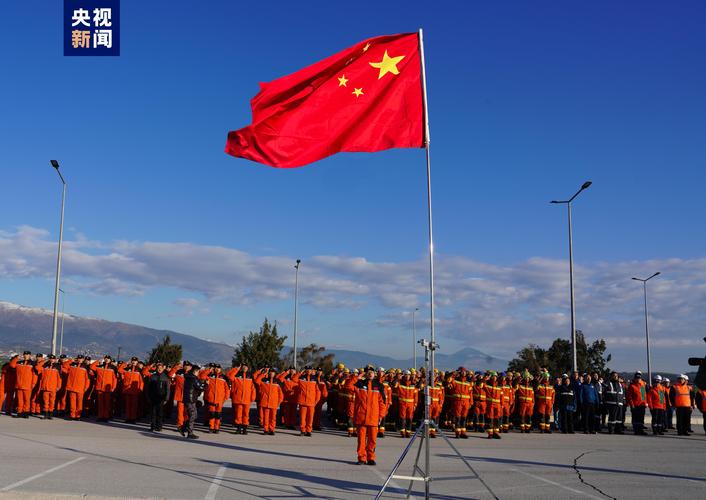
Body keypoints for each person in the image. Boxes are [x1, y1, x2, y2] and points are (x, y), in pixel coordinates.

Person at [352, 367, 386, 465]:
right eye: (368, 372)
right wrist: (358, 377)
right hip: (361, 417)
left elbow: (382, 402)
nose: (370, 374)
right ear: (366, 374)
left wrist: (381, 415)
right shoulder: (360, 384)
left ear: (375, 374)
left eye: (372, 372)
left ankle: (371, 457)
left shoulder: (379, 386)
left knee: (372, 440)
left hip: (373, 417)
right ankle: (362, 458)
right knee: (361, 440)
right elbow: (349, 387)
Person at [227, 364, 256, 434]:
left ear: (248, 368)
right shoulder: (236, 374)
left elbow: (253, 388)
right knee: (238, 415)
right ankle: (238, 428)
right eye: (243, 367)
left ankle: (245, 429)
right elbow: (229, 376)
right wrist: (236, 369)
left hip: (247, 399)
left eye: (246, 367)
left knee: (246, 414)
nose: (244, 368)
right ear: (241, 368)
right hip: (238, 398)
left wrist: (252, 397)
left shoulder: (250, 376)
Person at [293, 366, 322, 436]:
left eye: (310, 369)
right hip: (302, 401)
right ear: (305, 370)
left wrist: (316, 401)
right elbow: (294, 379)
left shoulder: (315, 379)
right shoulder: (301, 378)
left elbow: (318, 391)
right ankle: (302, 430)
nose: (309, 371)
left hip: (311, 402)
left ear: (312, 370)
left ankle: (308, 431)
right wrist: (300, 373)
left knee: (310, 418)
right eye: (307, 370)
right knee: (302, 418)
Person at [89, 356, 118, 422]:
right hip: (100, 387)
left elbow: (115, 379)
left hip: (108, 388)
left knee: (107, 404)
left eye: (108, 359)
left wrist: (113, 387)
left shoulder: (113, 368)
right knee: (100, 404)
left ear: (110, 360)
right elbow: (91, 367)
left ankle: (106, 417)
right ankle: (100, 416)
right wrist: (98, 360)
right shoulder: (99, 366)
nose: (107, 360)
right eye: (105, 359)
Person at [256, 368, 284, 435]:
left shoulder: (277, 381)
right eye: (270, 372)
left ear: (275, 374)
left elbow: (280, 393)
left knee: (273, 418)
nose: (271, 374)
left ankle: (272, 429)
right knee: (266, 417)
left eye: (273, 372)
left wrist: (279, 402)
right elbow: (257, 381)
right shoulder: (264, 380)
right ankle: (266, 429)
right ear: (268, 373)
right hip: (265, 402)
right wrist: (263, 374)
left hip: (274, 403)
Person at [145, 362, 171, 432]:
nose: (159, 369)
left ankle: (159, 427)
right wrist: (148, 396)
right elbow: (148, 388)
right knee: (153, 412)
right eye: (158, 368)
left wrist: (166, 398)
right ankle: (152, 426)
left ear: (163, 368)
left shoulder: (165, 377)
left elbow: (168, 389)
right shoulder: (152, 377)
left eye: (160, 368)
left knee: (160, 413)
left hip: (161, 398)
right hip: (153, 397)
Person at [63, 355, 91, 420]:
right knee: (72, 402)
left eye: (81, 359)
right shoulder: (72, 364)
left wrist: (86, 388)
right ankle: (72, 415)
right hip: (72, 387)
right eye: (78, 358)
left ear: (83, 359)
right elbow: (64, 366)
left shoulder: (86, 367)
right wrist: (71, 360)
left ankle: (78, 416)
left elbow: (88, 379)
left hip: (80, 388)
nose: (79, 360)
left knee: (79, 403)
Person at [181, 364, 204, 439]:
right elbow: (200, 387)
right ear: (195, 371)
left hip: (189, 398)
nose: (198, 373)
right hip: (190, 399)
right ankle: (189, 432)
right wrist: (206, 385)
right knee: (193, 415)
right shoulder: (193, 378)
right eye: (198, 371)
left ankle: (184, 428)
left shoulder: (188, 377)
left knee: (194, 415)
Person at [118, 357, 144, 424]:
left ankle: (132, 418)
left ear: (137, 362)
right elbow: (119, 370)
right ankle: (127, 418)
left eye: (135, 361)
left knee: (134, 406)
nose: (133, 362)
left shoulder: (139, 370)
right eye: (132, 361)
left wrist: (140, 390)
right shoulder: (127, 369)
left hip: (135, 391)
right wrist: (125, 363)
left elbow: (141, 382)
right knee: (127, 405)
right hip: (127, 390)